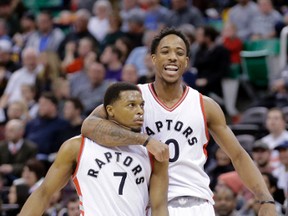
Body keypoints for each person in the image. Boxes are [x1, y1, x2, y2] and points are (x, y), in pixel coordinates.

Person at [81, 27, 277, 215]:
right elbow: (89, 126)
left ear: (186, 62)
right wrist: (144, 140)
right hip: (153, 205)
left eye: (179, 53)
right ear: (153, 59)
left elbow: (238, 155)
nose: (173, 57)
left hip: (198, 203)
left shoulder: (204, 105)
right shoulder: (134, 97)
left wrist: (265, 198)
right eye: (165, 51)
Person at [19, 82, 169, 216]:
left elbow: (159, 206)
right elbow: (44, 193)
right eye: (131, 105)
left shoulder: (153, 150)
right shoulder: (77, 146)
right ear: (110, 110)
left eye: (141, 105)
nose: (140, 111)